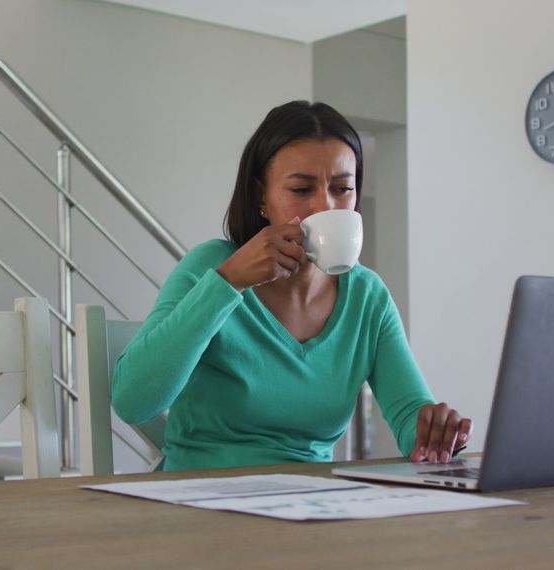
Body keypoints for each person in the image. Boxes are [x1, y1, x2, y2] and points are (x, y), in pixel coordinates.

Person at [113, 100, 471, 471]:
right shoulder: (212, 268)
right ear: (261, 197)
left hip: (309, 505)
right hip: (201, 497)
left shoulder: (367, 296)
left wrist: (438, 432)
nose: (325, 206)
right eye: (302, 189)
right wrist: (229, 281)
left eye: (342, 188)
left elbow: (410, 418)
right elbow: (133, 401)